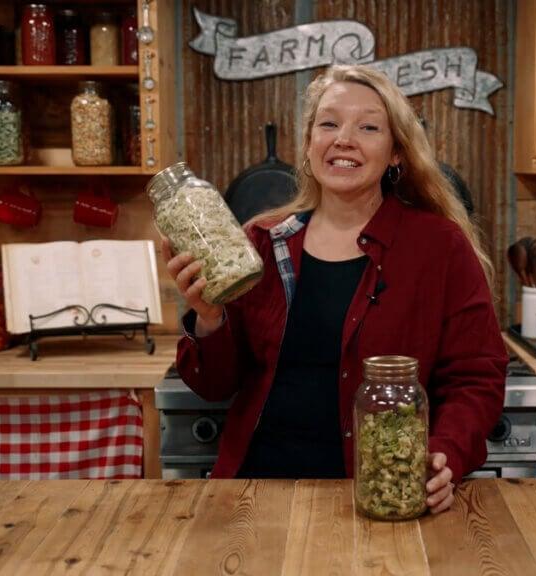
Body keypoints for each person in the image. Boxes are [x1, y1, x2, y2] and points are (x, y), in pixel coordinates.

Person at [163, 65, 507, 514]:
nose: (344, 138)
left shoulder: (439, 247)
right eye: (328, 123)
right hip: (257, 496)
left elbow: (476, 377)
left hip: (384, 496)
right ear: (309, 144)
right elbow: (215, 385)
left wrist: (446, 454)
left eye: (367, 126)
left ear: (397, 153)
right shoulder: (262, 244)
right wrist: (210, 320)